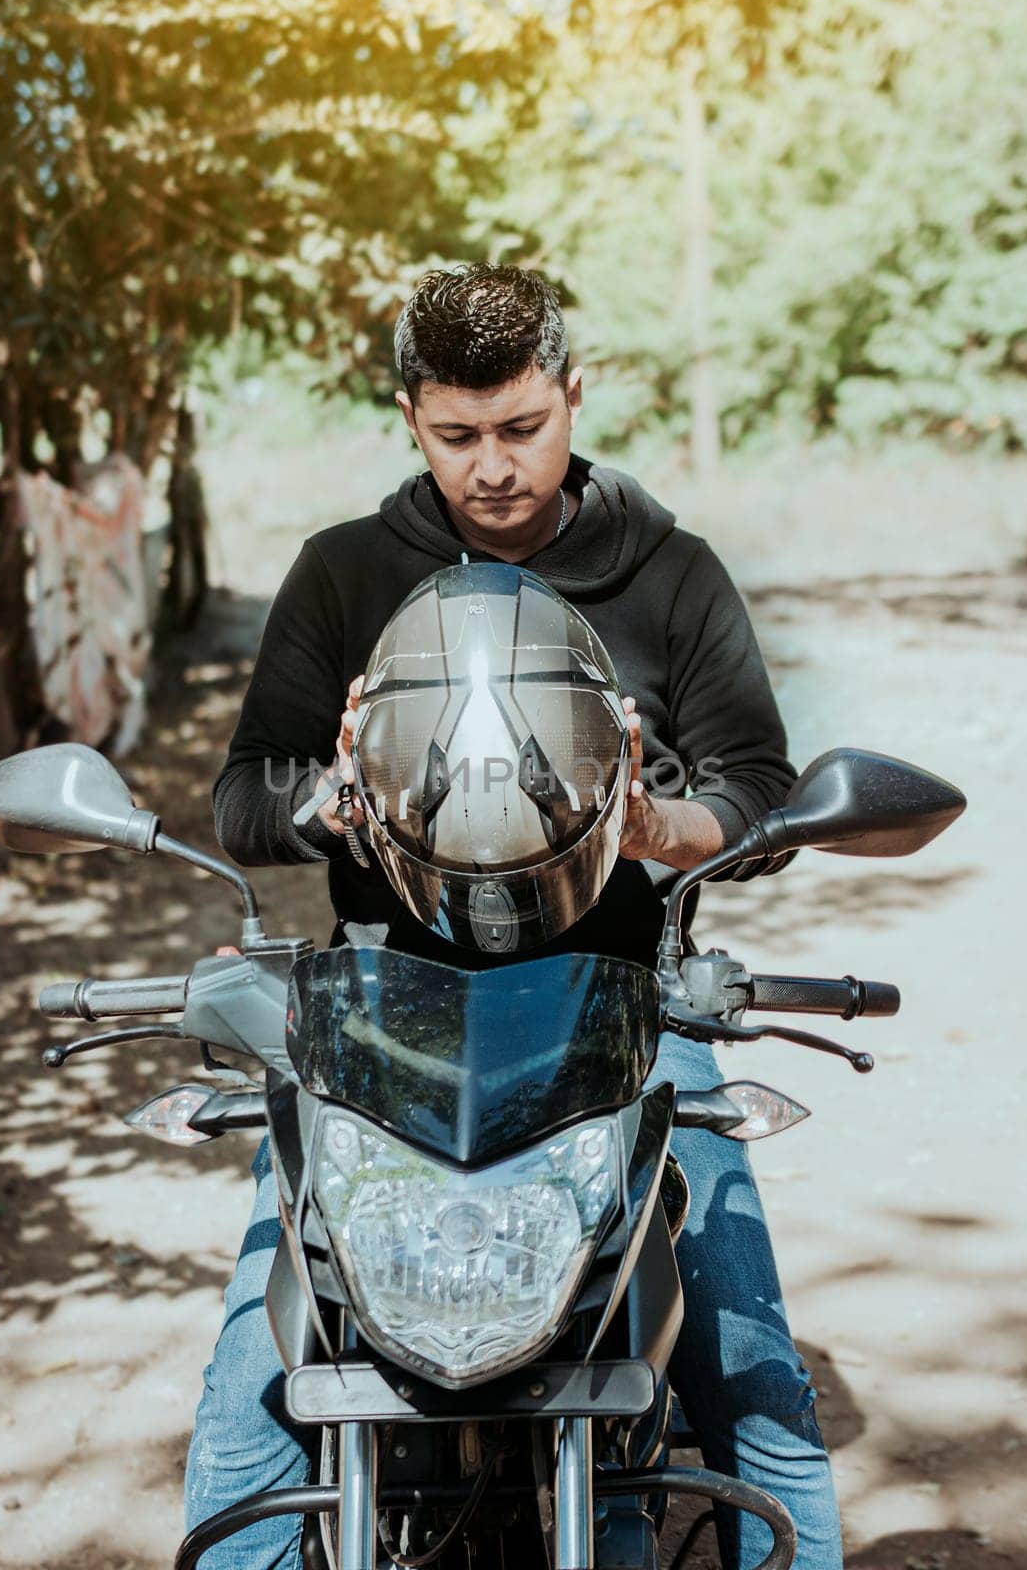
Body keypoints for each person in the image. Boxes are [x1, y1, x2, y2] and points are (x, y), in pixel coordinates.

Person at [191, 265, 842, 1569]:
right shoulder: (343, 571)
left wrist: (648, 823)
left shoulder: (669, 574)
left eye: (519, 429)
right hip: (380, 1006)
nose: (490, 468)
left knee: (758, 1391)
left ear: (571, 398)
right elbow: (240, 797)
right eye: (456, 436)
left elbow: (759, 793)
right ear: (408, 420)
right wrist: (338, 794)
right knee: (246, 1405)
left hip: (623, 1000)